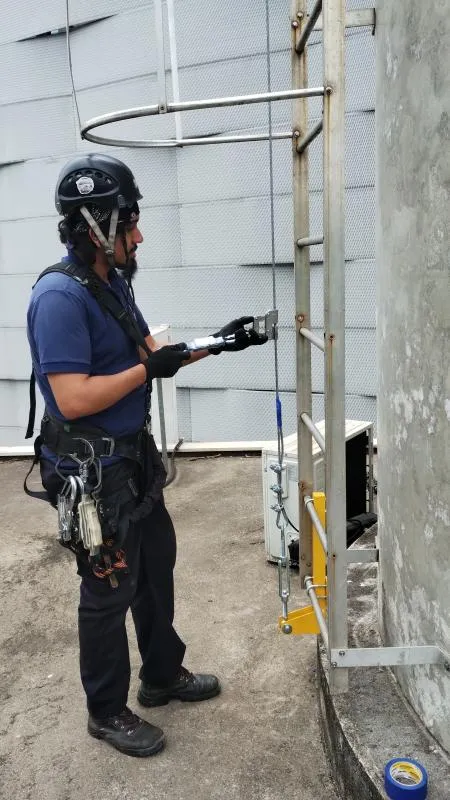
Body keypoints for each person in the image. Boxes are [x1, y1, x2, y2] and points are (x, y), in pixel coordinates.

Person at [26, 153, 268, 758]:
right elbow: (72, 396)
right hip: (93, 473)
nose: (139, 234)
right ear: (97, 226)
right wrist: (143, 371)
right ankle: (106, 712)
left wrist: (220, 342)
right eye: (129, 222)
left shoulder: (114, 283)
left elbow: (152, 351)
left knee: (155, 568)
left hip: (132, 464)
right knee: (107, 592)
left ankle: (161, 673)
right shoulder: (59, 298)